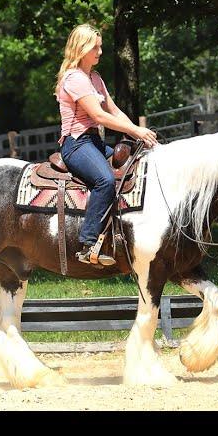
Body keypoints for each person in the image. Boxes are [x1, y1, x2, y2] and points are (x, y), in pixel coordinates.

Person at [54, 24, 158, 265]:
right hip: (76, 144)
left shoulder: (95, 78)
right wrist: (136, 130)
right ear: (82, 49)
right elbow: (99, 117)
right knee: (105, 180)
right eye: (95, 47)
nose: (100, 52)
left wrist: (138, 134)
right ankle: (88, 244)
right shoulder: (74, 79)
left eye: (100, 46)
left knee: (135, 165)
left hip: (93, 143)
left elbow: (113, 110)